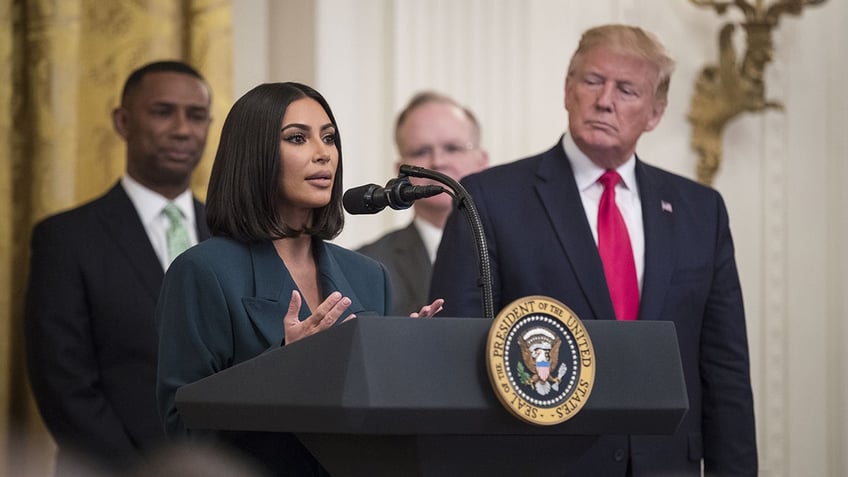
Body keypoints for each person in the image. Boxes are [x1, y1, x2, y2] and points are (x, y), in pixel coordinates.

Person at [429, 24, 757, 476]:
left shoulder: (701, 212)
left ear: (656, 113)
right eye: (592, 81)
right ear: (567, 89)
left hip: (667, 463)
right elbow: (457, 364)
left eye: (627, 90)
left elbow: (725, 371)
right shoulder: (489, 199)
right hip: (542, 463)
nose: (606, 100)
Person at [155, 82, 443, 476]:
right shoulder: (202, 272)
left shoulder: (368, 275)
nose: (323, 153)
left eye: (329, 138)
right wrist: (284, 369)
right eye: (297, 138)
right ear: (254, 156)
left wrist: (400, 366)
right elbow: (182, 432)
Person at [24, 60, 213, 474]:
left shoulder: (232, 235)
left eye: (196, 115)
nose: (183, 129)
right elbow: (64, 385)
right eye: (163, 112)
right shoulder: (66, 238)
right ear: (123, 122)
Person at [357, 92, 488, 315]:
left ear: (482, 161)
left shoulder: (518, 249)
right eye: (421, 152)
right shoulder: (366, 266)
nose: (438, 162)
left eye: (452, 148)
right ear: (401, 171)